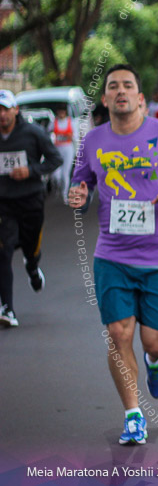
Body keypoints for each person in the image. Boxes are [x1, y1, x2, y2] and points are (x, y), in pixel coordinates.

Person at [68, 64, 158, 445]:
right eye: (113, 87)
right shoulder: (92, 141)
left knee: (155, 340)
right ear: (106, 98)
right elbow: (81, 184)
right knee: (118, 332)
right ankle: (133, 415)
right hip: (111, 255)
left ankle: (156, 363)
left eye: (128, 85)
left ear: (141, 98)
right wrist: (78, 197)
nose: (121, 91)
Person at [0, 90, 62, 328]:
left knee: (30, 245)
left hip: (31, 200)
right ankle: (7, 308)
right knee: (3, 252)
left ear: (15, 110)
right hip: (4, 203)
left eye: (5, 109)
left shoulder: (33, 133)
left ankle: (32, 266)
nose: (2, 115)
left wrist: (31, 171)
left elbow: (55, 159)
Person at [51, 106, 75, 200]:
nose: (61, 113)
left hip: (68, 149)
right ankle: (57, 187)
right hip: (57, 149)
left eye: (62, 111)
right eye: (59, 111)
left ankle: (65, 194)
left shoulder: (71, 122)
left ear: (65, 112)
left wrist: (71, 136)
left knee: (65, 174)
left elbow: (75, 136)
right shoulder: (53, 122)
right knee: (56, 175)